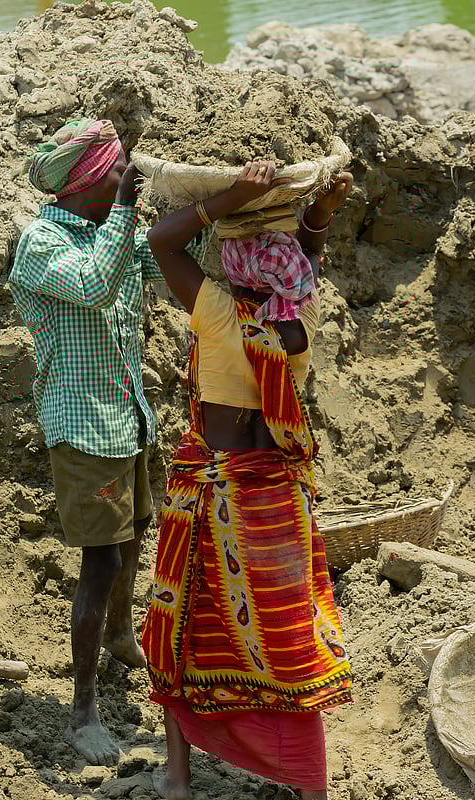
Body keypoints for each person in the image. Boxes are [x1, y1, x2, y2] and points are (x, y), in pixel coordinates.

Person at [141, 161, 355, 800]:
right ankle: (308, 785)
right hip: (280, 502)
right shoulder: (297, 321)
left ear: (232, 263)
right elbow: (303, 263)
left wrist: (229, 197)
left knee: (183, 629)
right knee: (290, 636)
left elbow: (161, 241)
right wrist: (319, 213)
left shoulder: (215, 311)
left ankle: (178, 778)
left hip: (217, 496)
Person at [9, 118, 209, 765]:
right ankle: (83, 712)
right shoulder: (42, 243)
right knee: (101, 562)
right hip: (81, 427)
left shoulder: (107, 232)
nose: (122, 189)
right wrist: (127, 210)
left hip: (127, 420)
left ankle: (123, 637)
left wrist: (203, 210)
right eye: (113, 180)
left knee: (134, 536)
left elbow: (167, 257)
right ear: (87, 186)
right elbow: (95, 284)